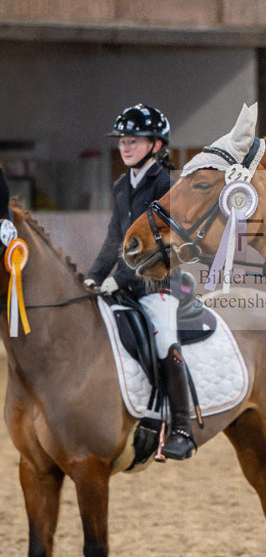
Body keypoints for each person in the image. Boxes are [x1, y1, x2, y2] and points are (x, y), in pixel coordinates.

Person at [86, 105, 196, 461]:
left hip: (158, 285)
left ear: (156, 144)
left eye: (133, 140)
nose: (125, 146)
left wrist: (118, 278)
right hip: (121, 284)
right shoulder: (121, 185)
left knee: (164, 339)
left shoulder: (166, 185)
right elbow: (113, 241)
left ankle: (181, 426)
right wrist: (92, 276)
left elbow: (160, 246)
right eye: (122, 140)